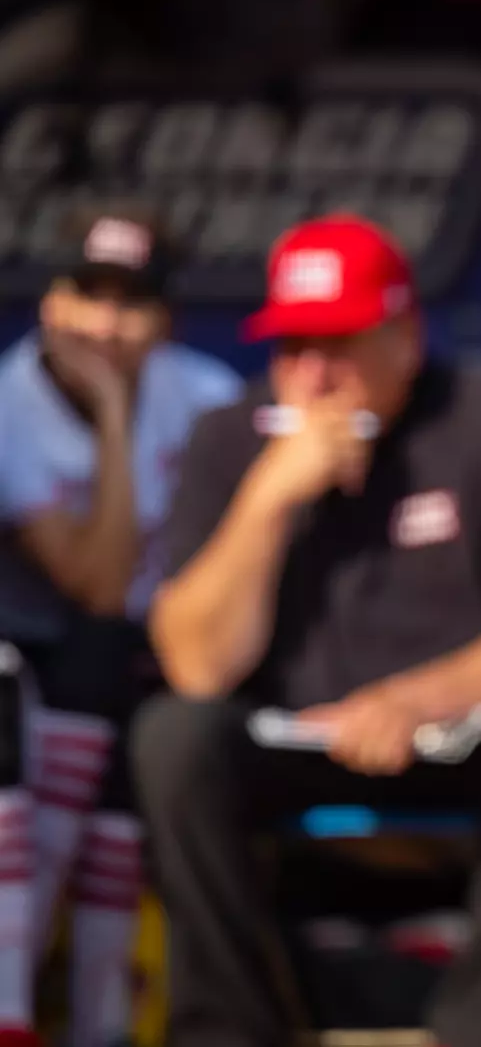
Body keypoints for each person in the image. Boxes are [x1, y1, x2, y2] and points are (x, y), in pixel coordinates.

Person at [137, 215, 481, 1047]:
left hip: (452, 743)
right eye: (292, 349)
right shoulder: (229, 436)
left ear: (403, 336)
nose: (313, 376)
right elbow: (194, 665)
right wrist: (268, 500)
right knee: (172, 738)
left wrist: (414, 700)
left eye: (338, 345)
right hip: (291, 743)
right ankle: (231, 1030)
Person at [0, 213, 242, 1047]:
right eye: (86, 296)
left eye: (129, 303)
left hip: (164, 656)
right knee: (88, 677)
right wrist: (111, 411)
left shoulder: (206, 392)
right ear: (50, 304)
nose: (104, 323)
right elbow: (98, 586)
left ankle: (98, 1024)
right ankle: (20, 1006)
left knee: (152, 728)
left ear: (164, 320)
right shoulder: (12, 400)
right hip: (49, 657)